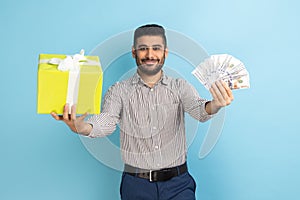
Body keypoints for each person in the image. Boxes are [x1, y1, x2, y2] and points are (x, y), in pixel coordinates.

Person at [51, 24, 234, 200]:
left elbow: (200, 111)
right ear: (134, 52)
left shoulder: (180, 87)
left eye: (156, 48)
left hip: (178, 185)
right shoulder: (118, 90)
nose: (150, 54)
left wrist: (216, 104)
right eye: (143, 48)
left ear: (165, 53)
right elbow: (107, 121)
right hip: (136, 186)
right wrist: (81, 126)